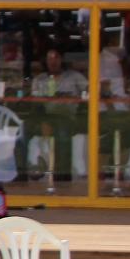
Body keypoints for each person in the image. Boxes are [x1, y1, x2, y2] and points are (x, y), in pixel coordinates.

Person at [24, 46, 88, 181]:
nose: (53, 62)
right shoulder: (39, 79)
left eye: (56, 58)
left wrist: (73, 97)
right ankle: (20, 173)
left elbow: (89, 92)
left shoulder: (74, 76)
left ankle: (62, 178)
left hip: (67, 117)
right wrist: (43, 120)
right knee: (22, 130)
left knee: (63, 133)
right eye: (49, 58)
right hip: (44, 117)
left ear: (62, 59)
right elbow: (34, 103)